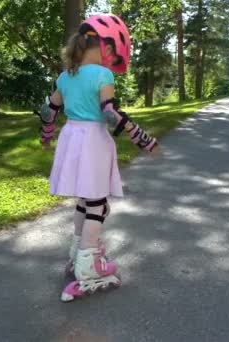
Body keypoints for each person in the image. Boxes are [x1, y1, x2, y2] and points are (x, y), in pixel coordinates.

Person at [36, 14, 160, 302]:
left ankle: (77, 254)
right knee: (97, 205)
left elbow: (49, 109)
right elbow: (109, 112)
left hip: (71, 138)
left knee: (83, 201)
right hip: (93, 141)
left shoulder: (66, 77)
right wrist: (142, 138)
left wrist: (45, 135)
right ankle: (89, 267)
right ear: (106, 45)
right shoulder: (103, 75)